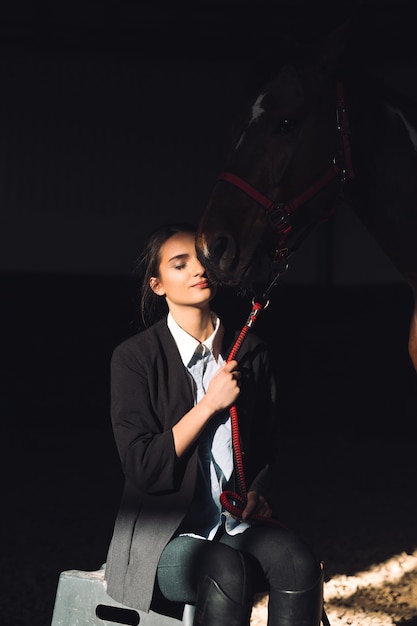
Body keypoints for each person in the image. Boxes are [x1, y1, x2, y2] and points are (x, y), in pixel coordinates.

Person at [104, 222, 325, 626]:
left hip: (233, 523)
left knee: (300, 562)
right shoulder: (135, 358)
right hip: (162, 537)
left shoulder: (251, 353)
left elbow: (265, 447)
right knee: (228, 570)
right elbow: (143, 468)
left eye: (203, 260)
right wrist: (208, 406)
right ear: (157, 285)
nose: (197, 270)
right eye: (179, 264)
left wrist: (257, 491)